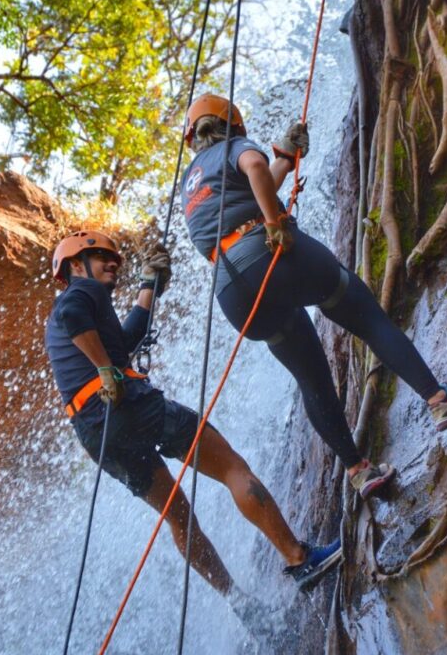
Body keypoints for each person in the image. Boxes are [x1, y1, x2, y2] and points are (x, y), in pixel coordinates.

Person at [177, 94, 447, 499]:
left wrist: (284, 158)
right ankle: (440, 400)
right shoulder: (233, 147)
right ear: (232, 125)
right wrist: (275, 224)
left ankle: (358, 471)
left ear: (192, 139)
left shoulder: (191, 184)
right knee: (367, 317)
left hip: (232, 288)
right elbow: (253, 169)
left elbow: (249, 190)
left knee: (311, 378)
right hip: (269, 252)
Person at [43, 230, 341, 631]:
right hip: (129, 404)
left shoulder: (83, 314)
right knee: (231, 468)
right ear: (75, 267)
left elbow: (126, 341)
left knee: (179, 518)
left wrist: (149, 285)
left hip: (96, 434)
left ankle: (242, 606)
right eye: (99, 256)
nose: (112, 262)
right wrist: (105, 370)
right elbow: (74, 316)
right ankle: (299, 559)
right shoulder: (80, 294)